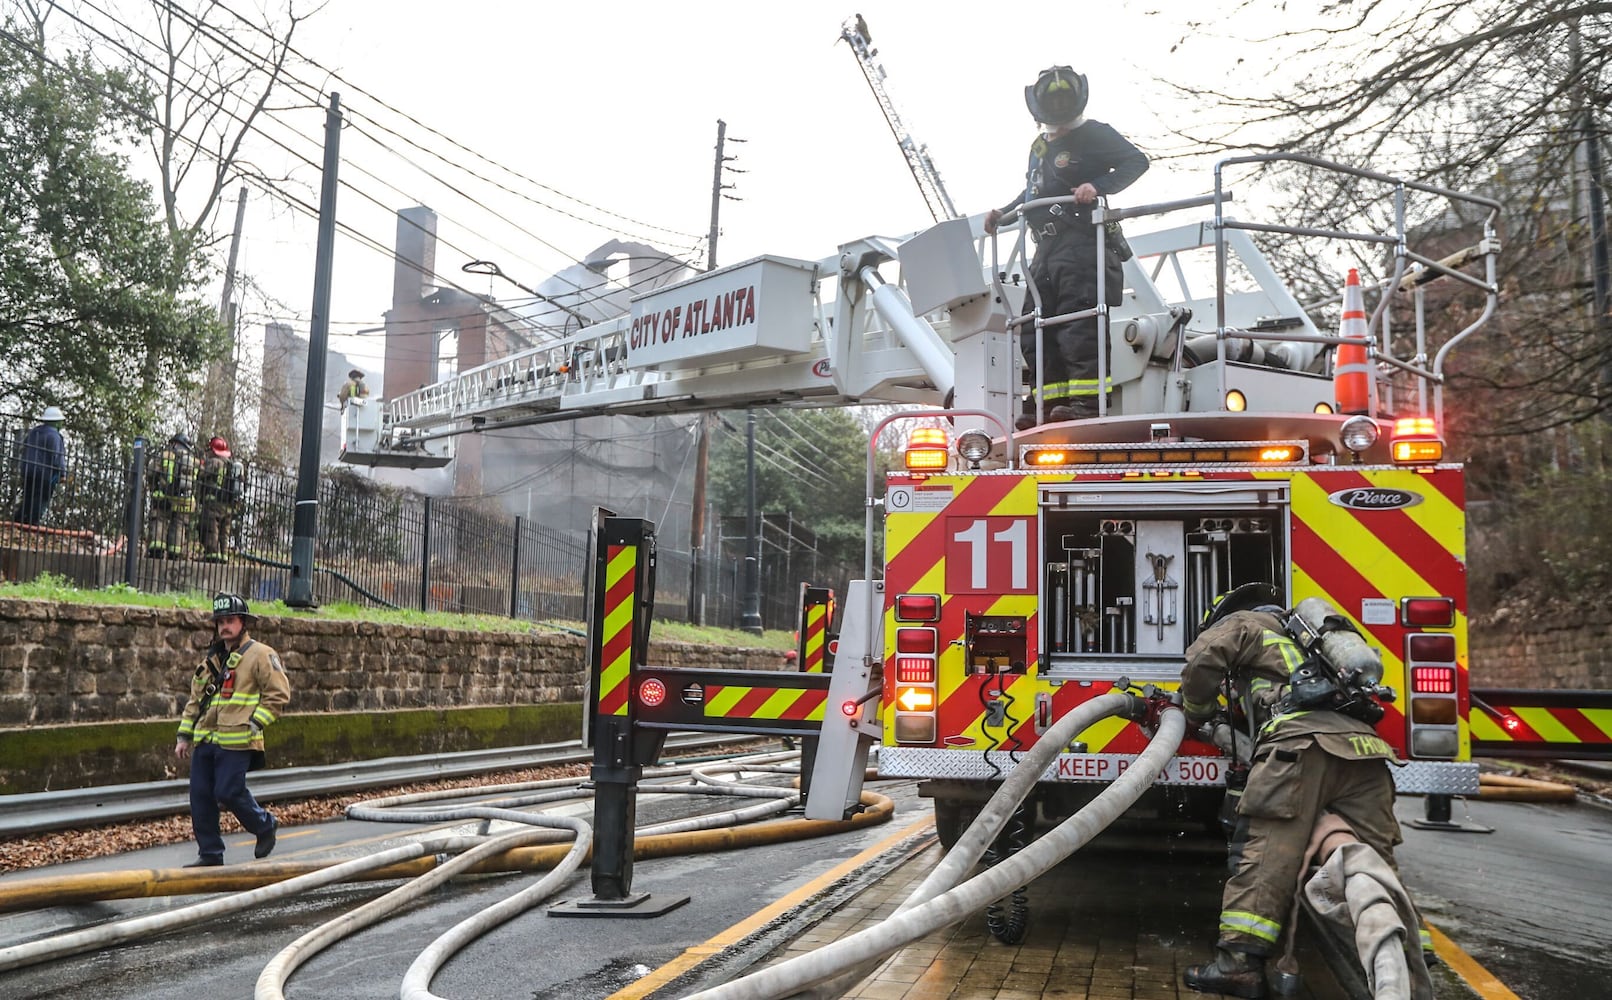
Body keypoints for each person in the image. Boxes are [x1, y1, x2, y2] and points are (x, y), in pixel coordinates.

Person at [1178, 584, 1418, 998]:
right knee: (1376, 861)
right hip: (1365, 750)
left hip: (1300, 748)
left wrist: (1196, 711)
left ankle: (1238, 967)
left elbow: (1202, 659)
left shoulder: (1246, 624)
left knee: (1269, 854)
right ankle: (1410, 964)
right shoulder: (1319, 644)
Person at [982, 66, 1149, 429]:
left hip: (1082, 243)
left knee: (1078, 325)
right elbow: (1034, 192)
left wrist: (1097, 185)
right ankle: (1047, 403)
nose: (1058, 103)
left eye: (1063, 97)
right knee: (1037, 327)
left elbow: (1137, 161)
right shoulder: (1040, 146)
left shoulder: (1094, 135)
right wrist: (1005, 214)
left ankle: (1087, 403)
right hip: (1045, 248)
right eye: (1052, 98)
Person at [174, 593, 290, 867]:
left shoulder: (261, 654)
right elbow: (196, 701)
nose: (224, 626)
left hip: (239, 740)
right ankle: (211, 854)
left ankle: (264, 826)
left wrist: (256, 722)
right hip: (206, 739)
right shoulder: (211, 660)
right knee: (201, 797)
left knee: (227, 791)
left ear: (243, 623)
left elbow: (278, 694)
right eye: (220, 621)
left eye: (230, 620)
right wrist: (184, 736)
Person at [145, 432, 200, 558]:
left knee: (159, 519)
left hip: (164, 496)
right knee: (179, 524)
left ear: (175, 443)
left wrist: (154, 488)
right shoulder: (194, 461)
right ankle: (174, 553)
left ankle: (156, 551)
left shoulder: (165, 455)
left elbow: (152, 472)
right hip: (184, 499)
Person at [12, 406, 67, 525]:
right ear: (56, 422)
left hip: (28, 470)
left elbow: (25, 448)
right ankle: (32, 523)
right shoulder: (55, 436)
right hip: (45, 474)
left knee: (28, 497)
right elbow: (57, 456)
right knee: (42, 499)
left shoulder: (34, 432)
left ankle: (18, 520)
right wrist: (62, 474)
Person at [197, 436, 245, 564]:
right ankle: (224, 556)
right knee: (225, 531)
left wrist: (201, 464)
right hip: (229, 504)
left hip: (214, 503)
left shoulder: (214, 462)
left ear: (213, 450)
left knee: (211, 527)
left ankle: (212, 555)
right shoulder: (231, 464)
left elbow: (200, 474)